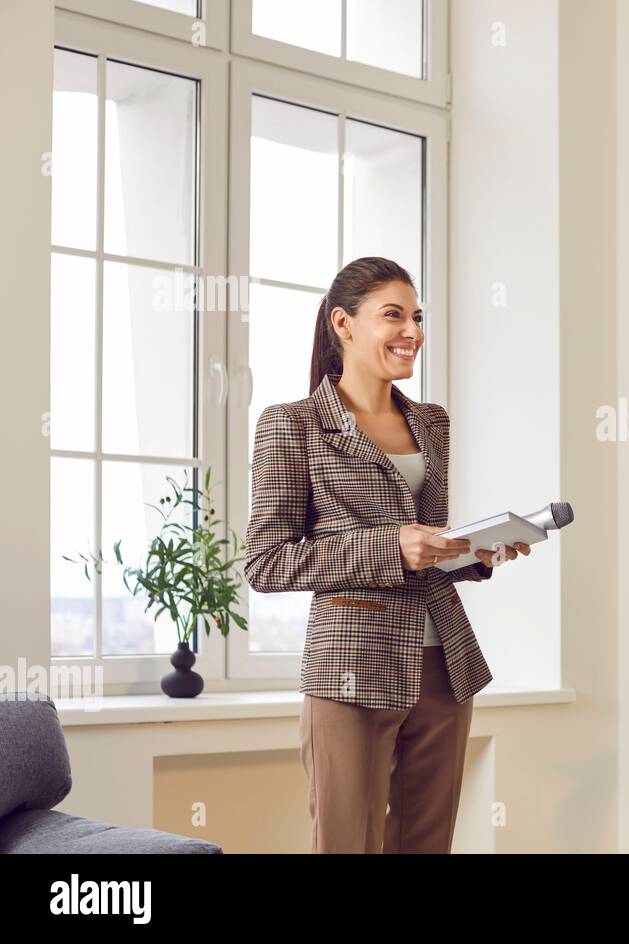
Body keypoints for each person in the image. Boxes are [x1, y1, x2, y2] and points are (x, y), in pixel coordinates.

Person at [244, 256, 529, 853]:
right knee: (348, 843)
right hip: (352, 668)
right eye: (393, 315)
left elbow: (426, 545)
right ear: (344, 324)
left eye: (417, 317)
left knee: (427, 844)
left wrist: (475, 552)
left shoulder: (432, 423)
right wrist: (391, 547)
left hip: (446, 664)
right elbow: (266, 562)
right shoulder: (291, 425)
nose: (413, 333)